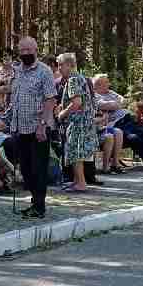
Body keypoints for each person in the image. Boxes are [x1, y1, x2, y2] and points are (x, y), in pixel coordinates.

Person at [8, 36, 58, 218]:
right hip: (20, 128)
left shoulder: (44, 71)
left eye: (29, 50)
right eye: (22, 51)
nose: (25, 54)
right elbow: (16, 97)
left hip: (38, 128)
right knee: (25, 169)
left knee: (38, 169)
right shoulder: (17, 71)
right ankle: (33, 202)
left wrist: (42, 125)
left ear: (36, 50)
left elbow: (50, 99)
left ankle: (39, 206)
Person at [56, 52, 97, 193]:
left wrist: (62, 114)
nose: (59, 68)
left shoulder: (73, 79)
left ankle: (81, 183)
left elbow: (77, 103)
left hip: (78, 122)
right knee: (75, 152)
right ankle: (77, 181)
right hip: (84, 121)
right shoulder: (80, 78)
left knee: (75, 152)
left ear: (69, 65)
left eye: (61, 65)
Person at [92, 75, 129, 172]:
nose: (109, 84)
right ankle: (105, 167)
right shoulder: (94, 96)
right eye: (106, 82)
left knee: (119, 132)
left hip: (104, 126)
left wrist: (116, 104)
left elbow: (124, 101)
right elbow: (110, 106)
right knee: (110, 136)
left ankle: (115, 163)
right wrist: (116, 104)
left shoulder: (110, 92)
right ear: (98, 85)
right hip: (97, 129)